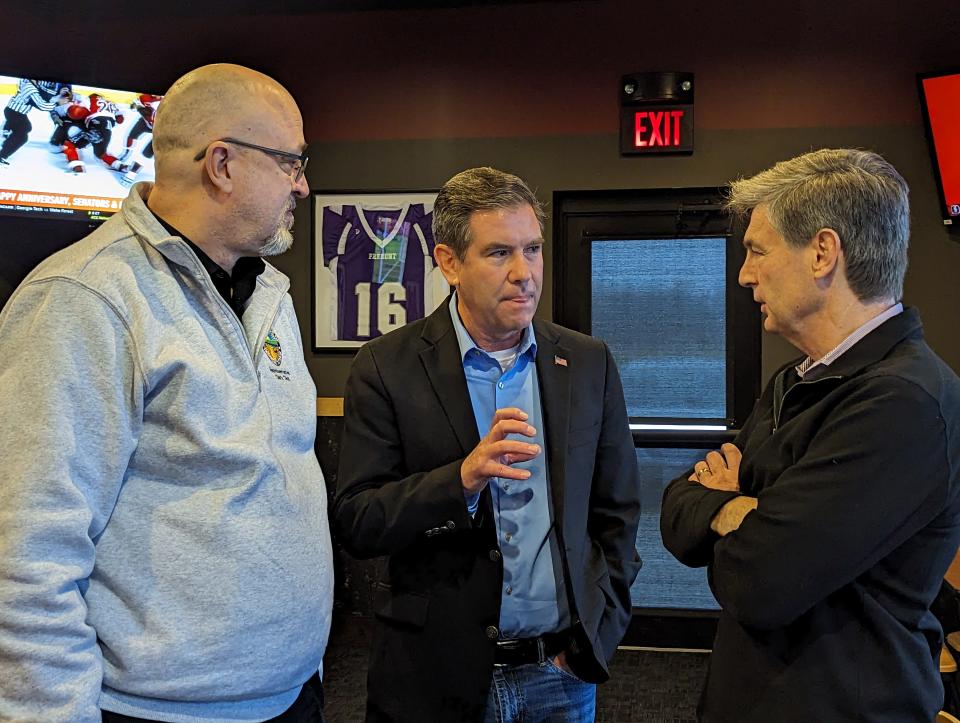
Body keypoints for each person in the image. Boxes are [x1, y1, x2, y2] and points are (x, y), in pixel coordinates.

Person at [0, 63, 332, 722]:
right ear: (222, 164)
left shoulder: (270, 291)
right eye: (292, 162)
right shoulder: (84, 299)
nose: (303, 184)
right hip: (158, 712)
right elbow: (25, 556)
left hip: (292, 697)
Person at [660, 148, 960, 722]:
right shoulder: (793, 381)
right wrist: (734, 510)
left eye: (756, 250)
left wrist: (734, 504)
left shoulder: (904, 400)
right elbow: (677, 511)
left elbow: (760, 581)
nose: (745, 274)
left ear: (822, 252)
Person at [334, 166, 642, 721]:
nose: (525, 274)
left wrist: (596, 635)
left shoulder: (587, 362)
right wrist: (463, 479)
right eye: (499, 253)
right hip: (435, 673)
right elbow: (358, 520)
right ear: (450, 261)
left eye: (533, 249)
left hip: (559, 675)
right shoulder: (386, 367)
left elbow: (616, 513)